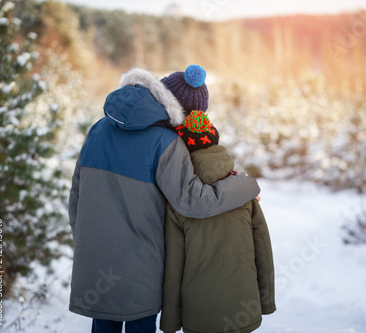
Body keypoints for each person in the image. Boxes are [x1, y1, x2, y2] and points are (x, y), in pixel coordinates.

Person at [68, 67, 260, 333]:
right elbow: (194, 202)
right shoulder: (166, 142)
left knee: (103, 324)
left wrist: (86, 243)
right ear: (185, 114)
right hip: (141, 271)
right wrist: (245, 185)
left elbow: (76, 195)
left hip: (95, 264)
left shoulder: (99, 128)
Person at [159, 66, 276, 333]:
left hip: (199, 316)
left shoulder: (177, 198)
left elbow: (174, 265)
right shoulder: (243, 191)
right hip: (244, 310)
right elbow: (264, 251)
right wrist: (265, 302)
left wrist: (170, 322)